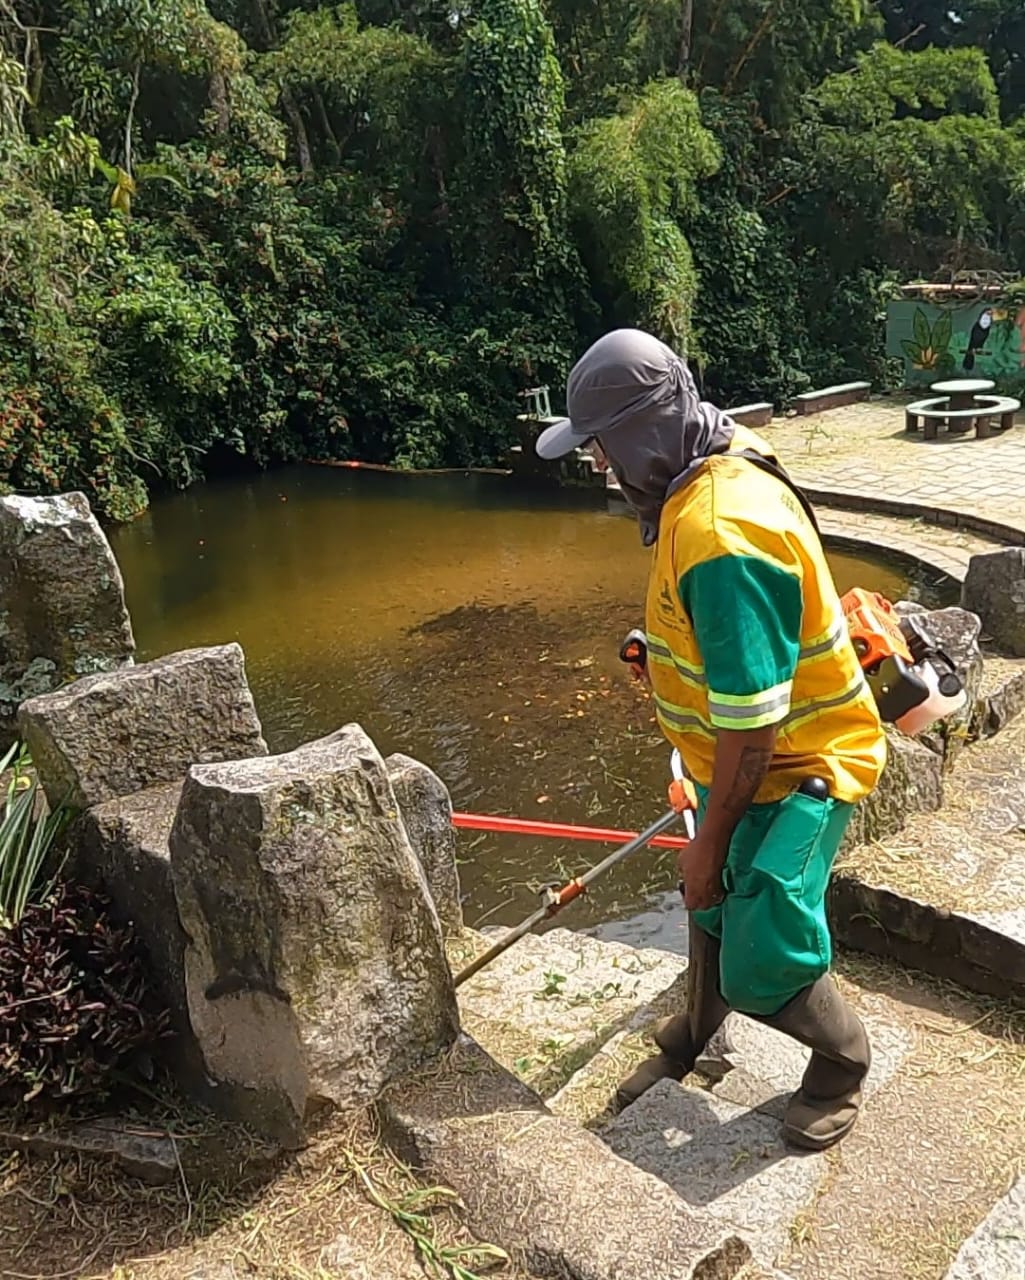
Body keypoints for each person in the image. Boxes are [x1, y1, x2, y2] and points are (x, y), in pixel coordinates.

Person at [535, 329, 886, 1151]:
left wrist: (710, 840)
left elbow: (758, 726)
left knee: (759, 937)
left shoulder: (722, 532)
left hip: (801, 766)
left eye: (600, 448)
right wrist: (657, 652)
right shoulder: (706, 455)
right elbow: (728, 637)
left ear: (645, 432)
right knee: (707, 912)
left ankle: (842, 1061)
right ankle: (688, 1039)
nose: (599, 468)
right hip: (735, 764)